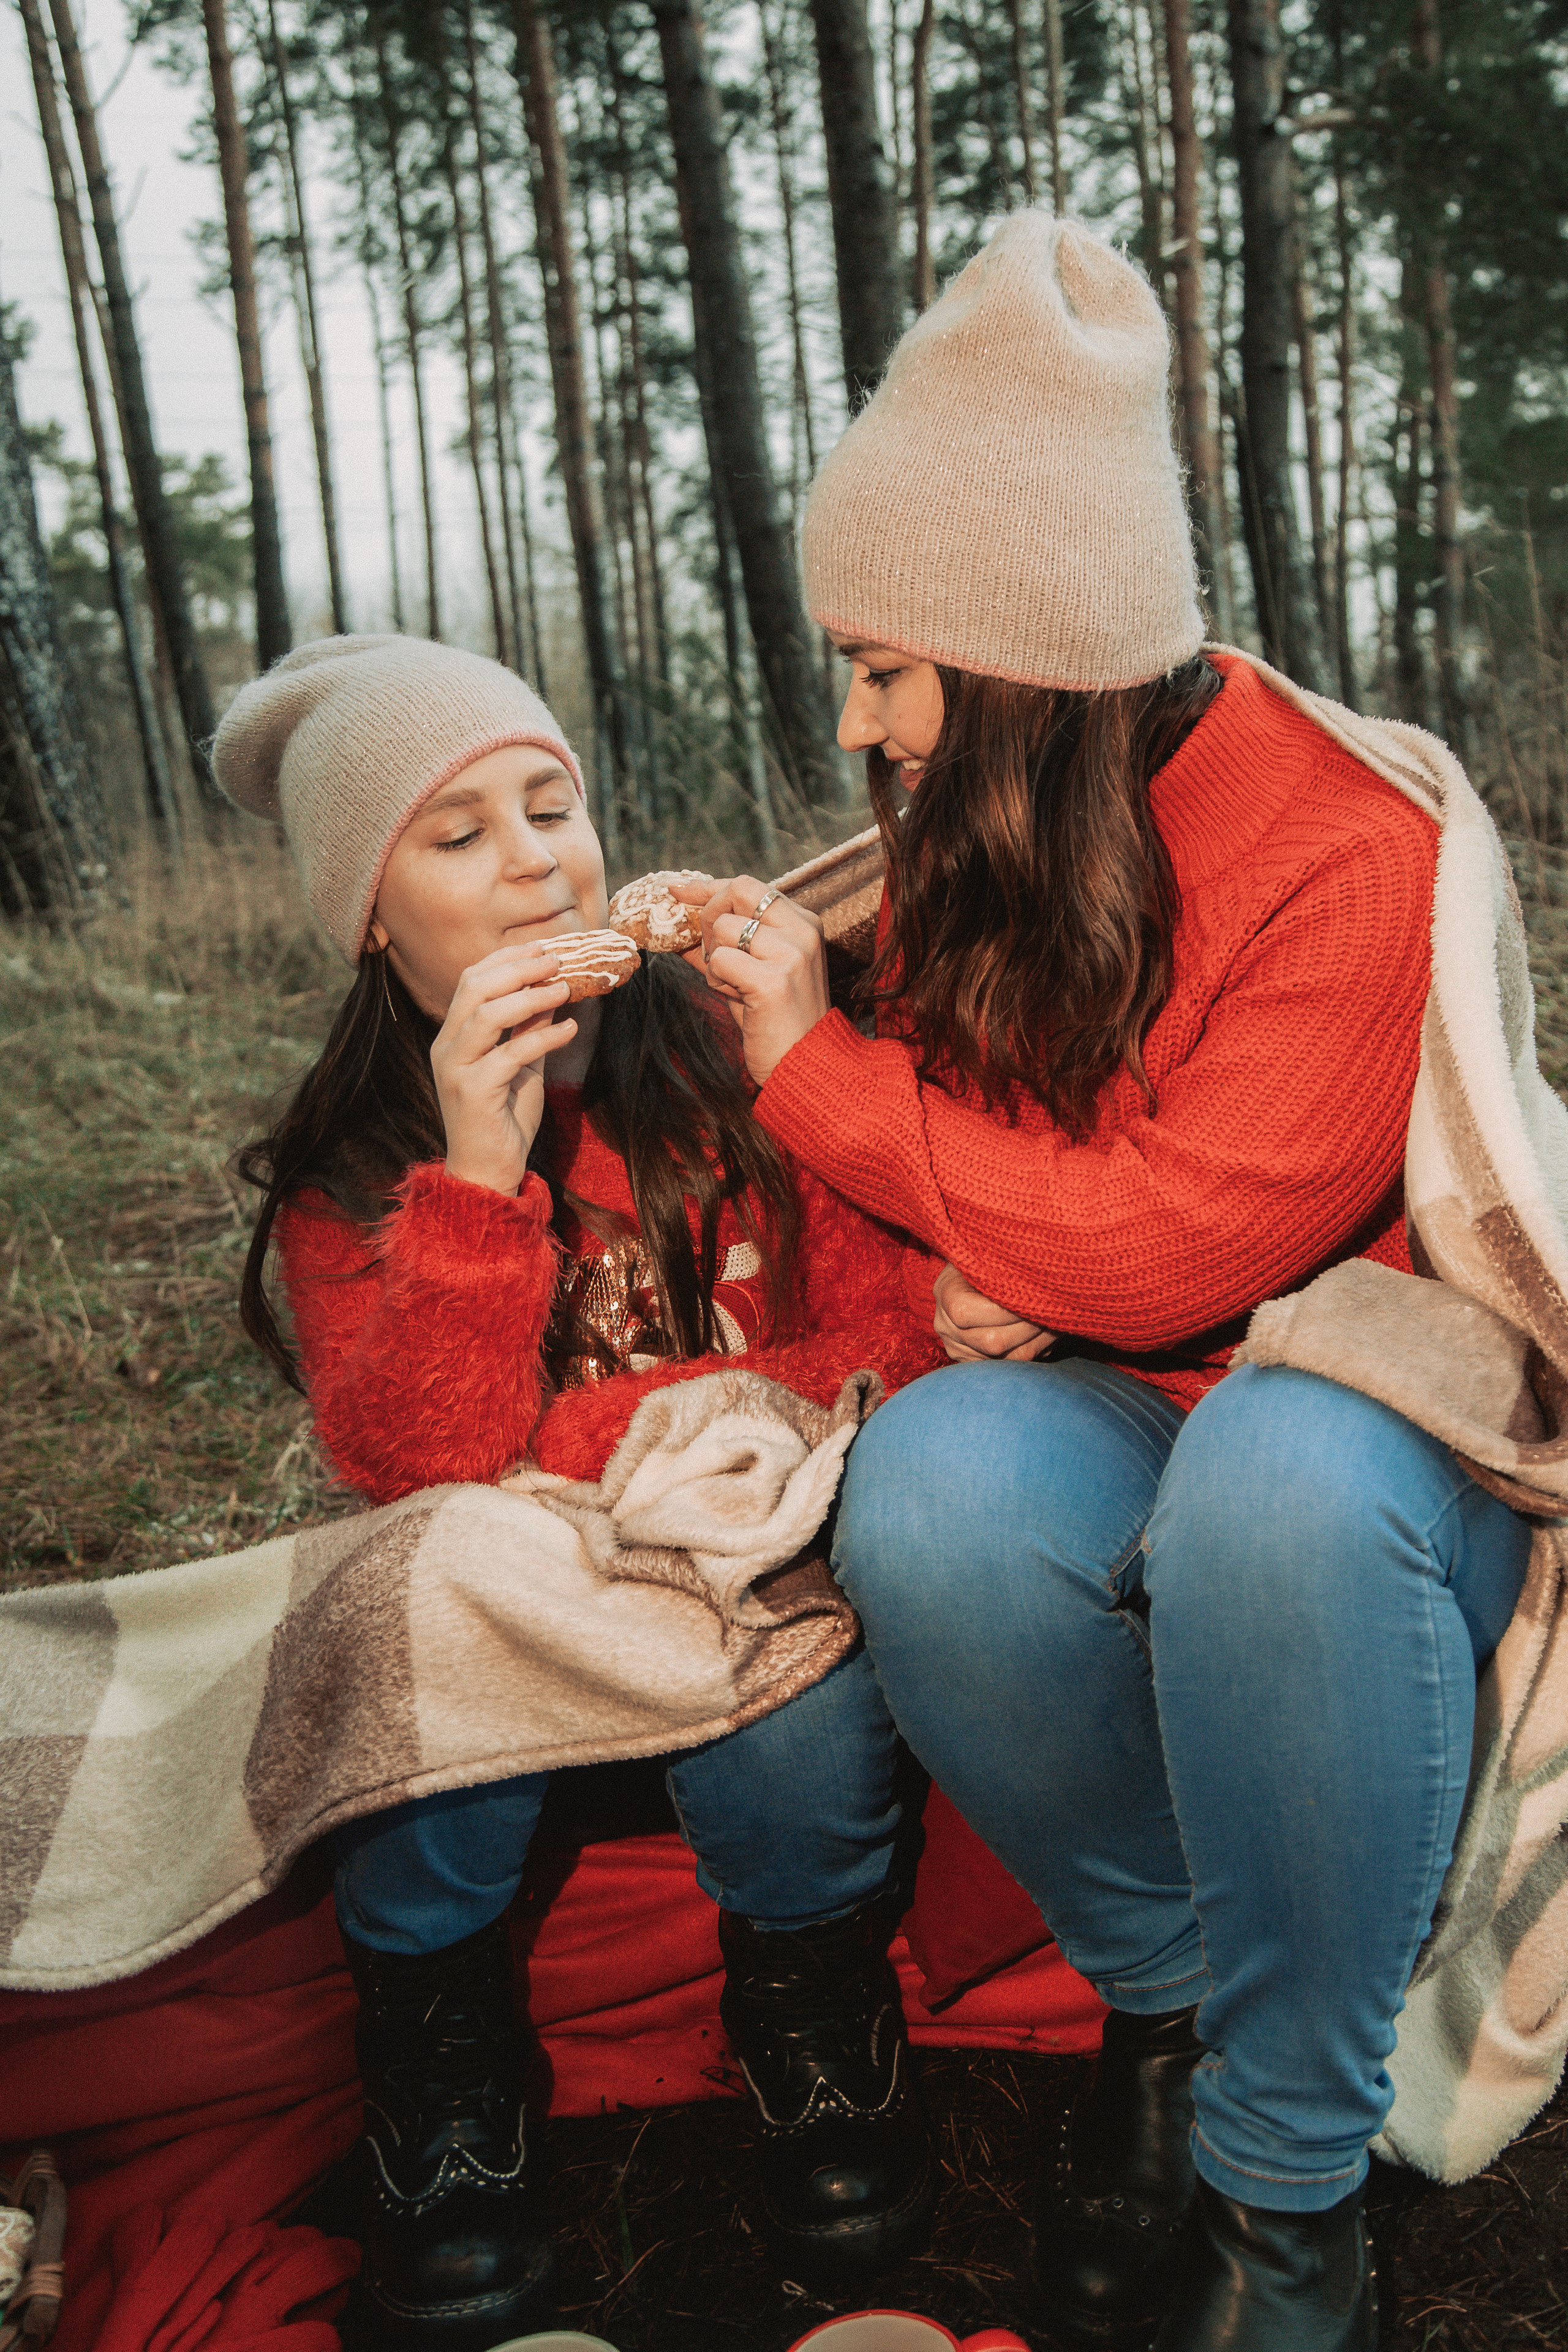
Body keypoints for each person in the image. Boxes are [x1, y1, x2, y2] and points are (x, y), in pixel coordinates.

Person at [683, 213, 1533, 2352]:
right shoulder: (998, 826)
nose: (861, 728)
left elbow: (1193, 1239)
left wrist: (826, 1077)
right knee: (939, 1485)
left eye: (883, 666)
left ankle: (1285, 2193)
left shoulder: (1351, 843)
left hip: (1380, 1441)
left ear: (1019, 656)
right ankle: (1163, 2010)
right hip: (1143, 1401)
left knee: (1273, 1477)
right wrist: (984, 1253)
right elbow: (1027, 1200)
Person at [215, 636, 943, 2347]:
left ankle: (812, 2021)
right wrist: (479, 1174)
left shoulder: (745, 1055)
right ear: (372, 921)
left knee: (795, 1680)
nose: (538, 857)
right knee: (404, 1595)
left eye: (553, 805)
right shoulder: (361, 1166)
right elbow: (418, 1475)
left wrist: (617, 1443)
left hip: (742, 1602)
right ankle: (441, 2063)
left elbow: (885, 1345)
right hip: (505, 1647)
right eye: (459, 835)